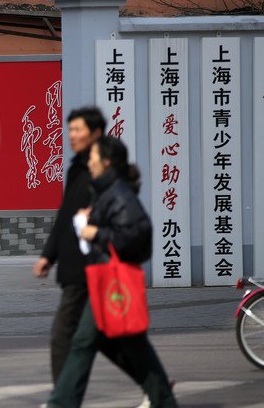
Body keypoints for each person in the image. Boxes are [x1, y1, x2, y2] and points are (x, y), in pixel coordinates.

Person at [46, 136, 176, 408]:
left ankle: (61, 404)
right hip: (105, 280)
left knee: (86, 343)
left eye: (93, 156)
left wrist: (97, 232)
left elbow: (136, 234)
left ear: (106, 162)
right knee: (126, 345)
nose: (89, 162)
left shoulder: (119, 194)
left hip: (112, 282)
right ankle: (163, 399)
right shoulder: (109, 192)